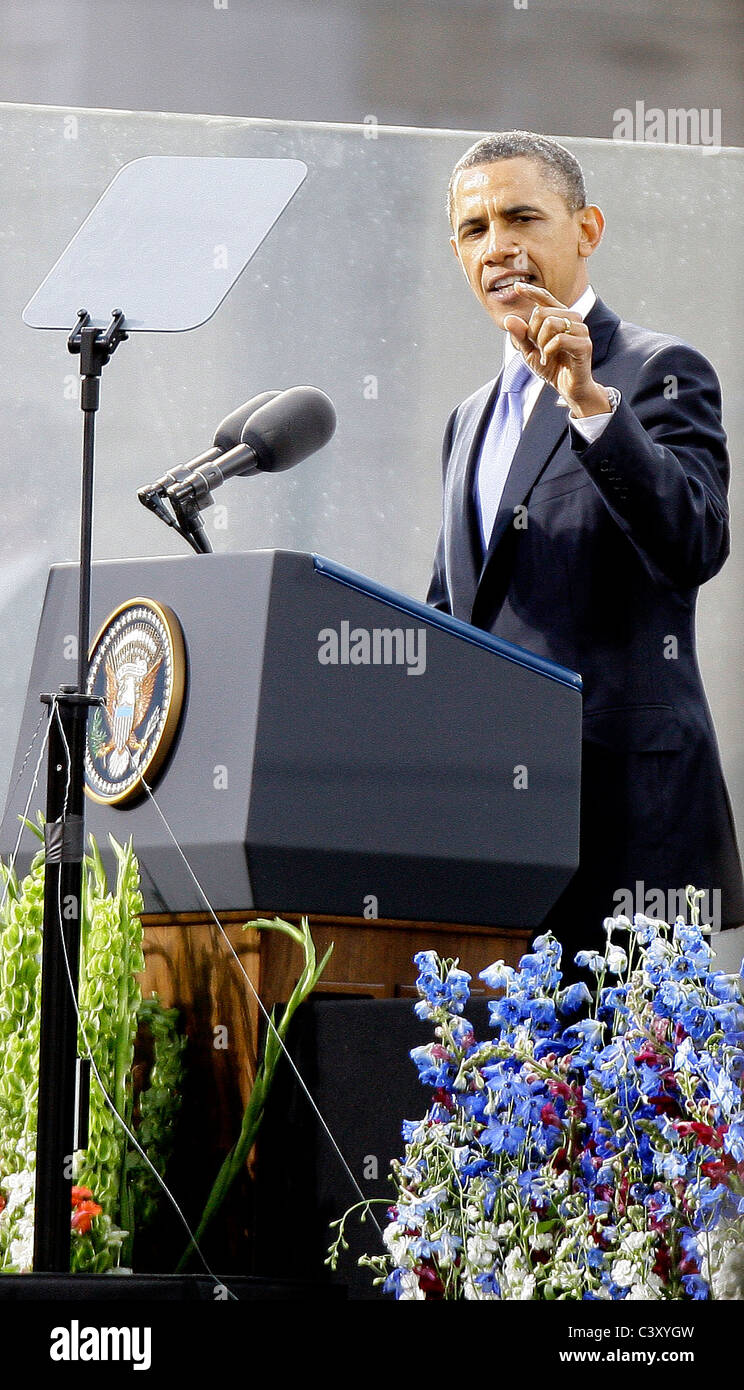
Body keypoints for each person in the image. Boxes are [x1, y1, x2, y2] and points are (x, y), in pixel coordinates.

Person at [427, 130, 744, 967]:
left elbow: (694, 541)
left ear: (586, 229)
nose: (499, 247)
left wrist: (593, 407)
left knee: (625, 1095)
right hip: (499, 831)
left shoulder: (657, 371)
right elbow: (449, 619)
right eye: (474, 229)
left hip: (628, 831)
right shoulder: (467, 421)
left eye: (522, 217)